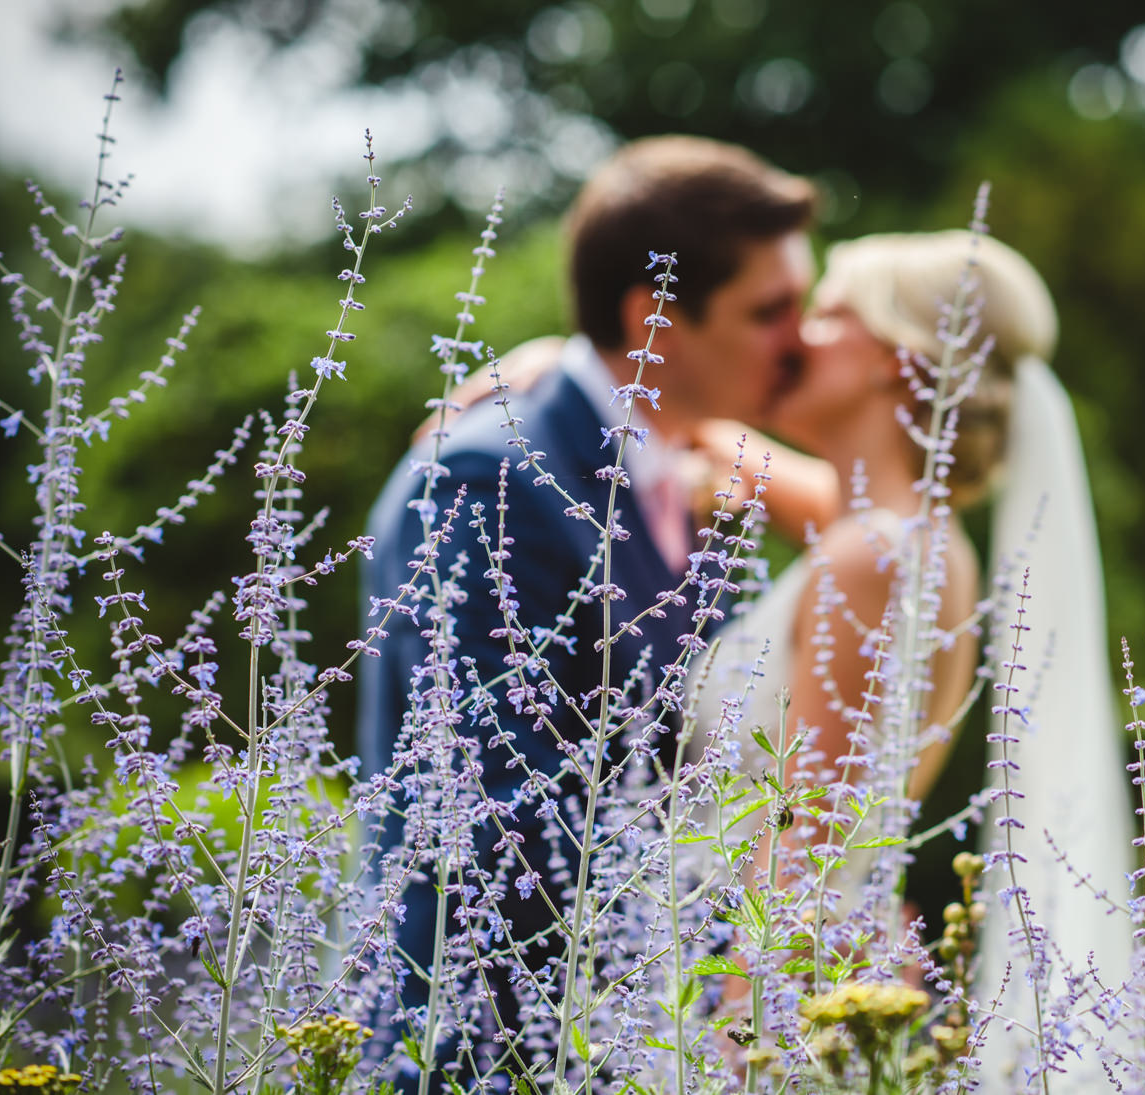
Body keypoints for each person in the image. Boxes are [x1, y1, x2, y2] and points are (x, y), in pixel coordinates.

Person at [356, 135, 817, 1077]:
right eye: (771, 311)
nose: (800, 342)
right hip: (492, 1039)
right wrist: (762, 925)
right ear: (656, 321)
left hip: (647, 1032)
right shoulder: (484, 476)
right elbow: (499, 807)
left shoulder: (701, 481)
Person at [690, 229, 1131, 1091]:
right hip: (812, 967)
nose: (795, 334)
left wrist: (736, 1052)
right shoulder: (912, 540)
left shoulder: (876, 557)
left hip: (766, 996)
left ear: (895, 357)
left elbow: (804, 837)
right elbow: (796, 482)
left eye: (826, 312)